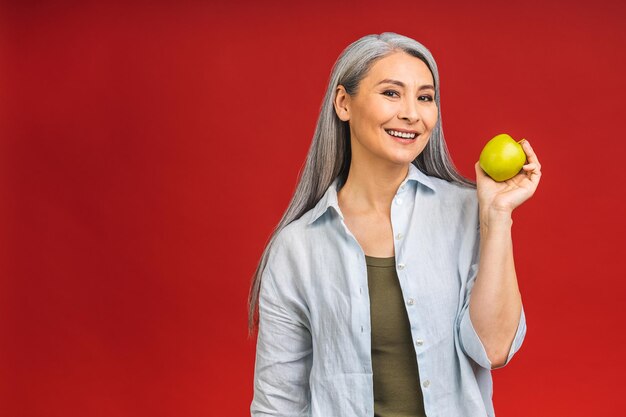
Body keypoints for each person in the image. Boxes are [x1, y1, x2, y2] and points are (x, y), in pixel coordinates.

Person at [248, 32, 541, 417]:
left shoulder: (468, 212)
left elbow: (494, 349)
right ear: (343, 103)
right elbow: (278, 404)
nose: (411, 114)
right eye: (391, 93)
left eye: (425, 97)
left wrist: (497, 217)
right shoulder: (297, 248)